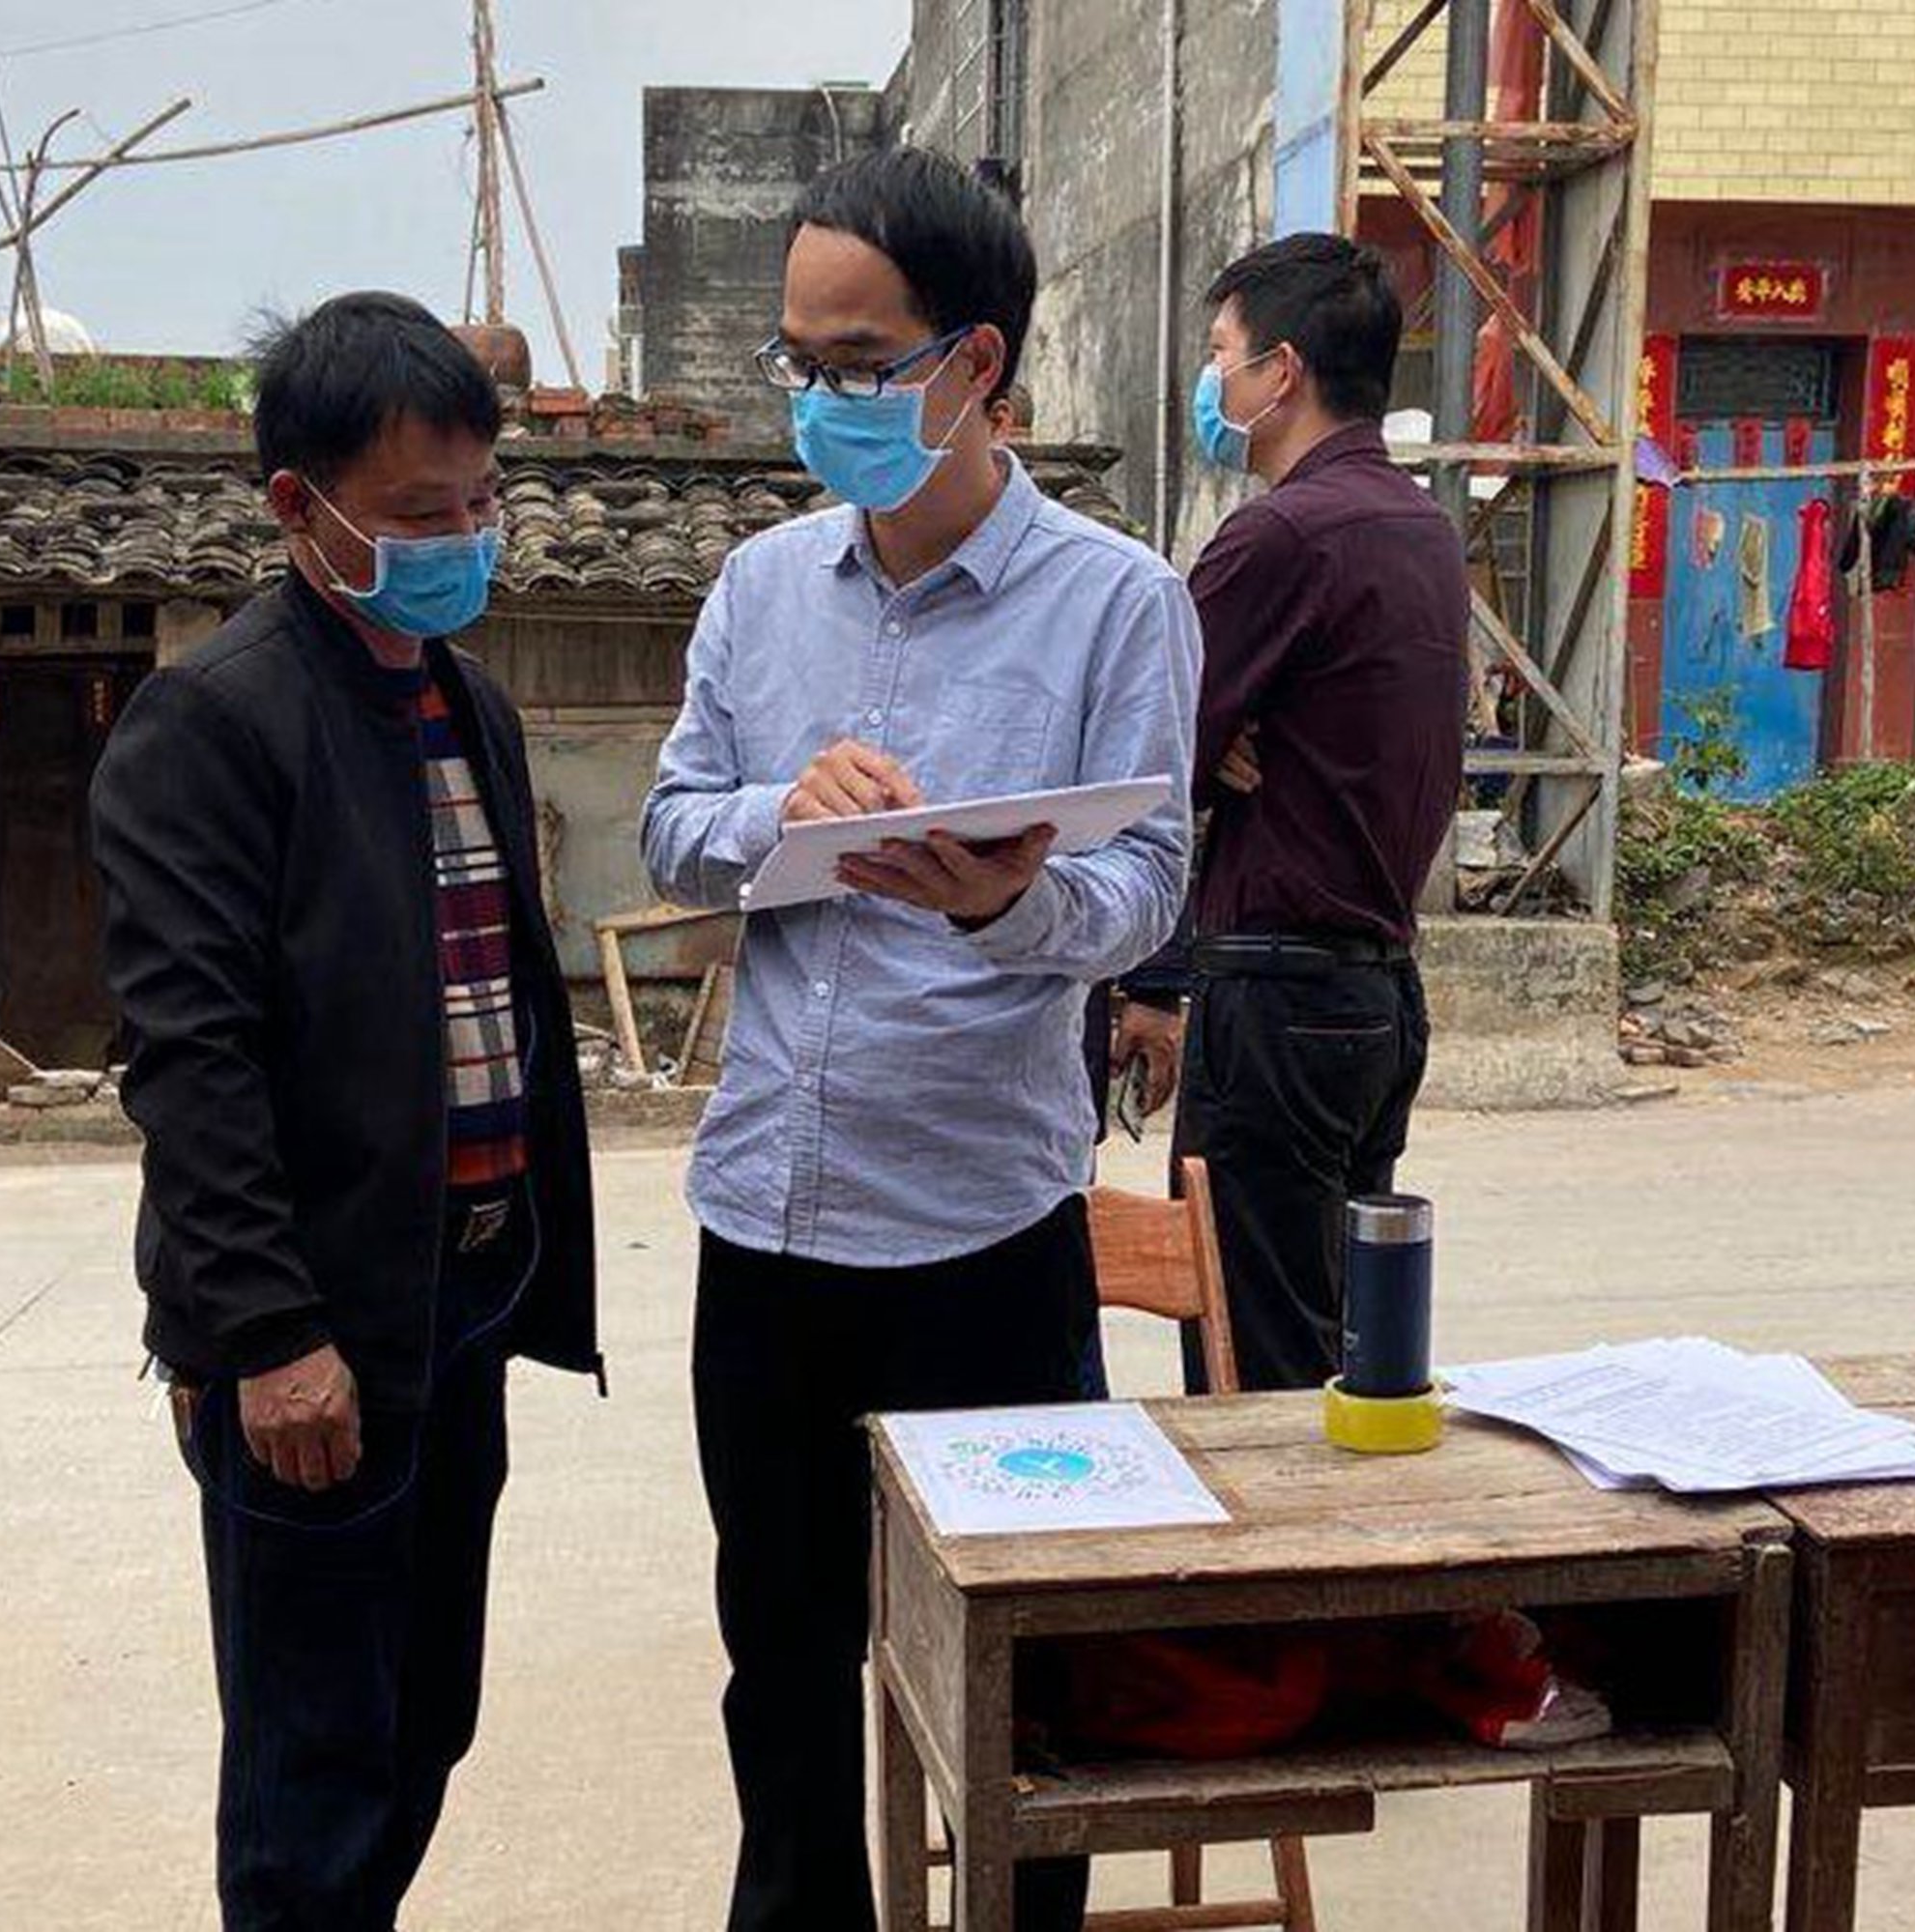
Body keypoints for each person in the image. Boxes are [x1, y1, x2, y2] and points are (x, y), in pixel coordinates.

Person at [643, 146, 1200, 1932]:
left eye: (858, 363)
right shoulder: (760, 588)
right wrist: (774, 813)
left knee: (1026, 1675)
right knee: (781, 1657)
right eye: (796, 361)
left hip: (982, 1234)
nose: (819, 399)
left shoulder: (1117, 601)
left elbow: (1148, 889)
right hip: (767, 1220)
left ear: (975, 363)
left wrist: (1001, 903)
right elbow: (670, 827)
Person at [91, 291, 602, 1932]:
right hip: (316, 1321)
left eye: (480, 502)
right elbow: (192, 1058)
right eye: (416, 513)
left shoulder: (467, 701)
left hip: (462, 1293)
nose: (460, 540)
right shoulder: (215, 720)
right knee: (313, 1758)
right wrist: (266, 1332)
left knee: (422, 1716)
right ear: (296, 506)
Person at [1176, 232, 1467, 1391]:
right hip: (1375, 995)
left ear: (1282, 371)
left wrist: (1212, 748)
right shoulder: (1421, 529)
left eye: (1222, 354)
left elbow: (1148, 753)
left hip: (1277, 998)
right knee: (1347, 1349)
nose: (1215, 380)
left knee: (1255, 1363)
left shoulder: (1280, 535)